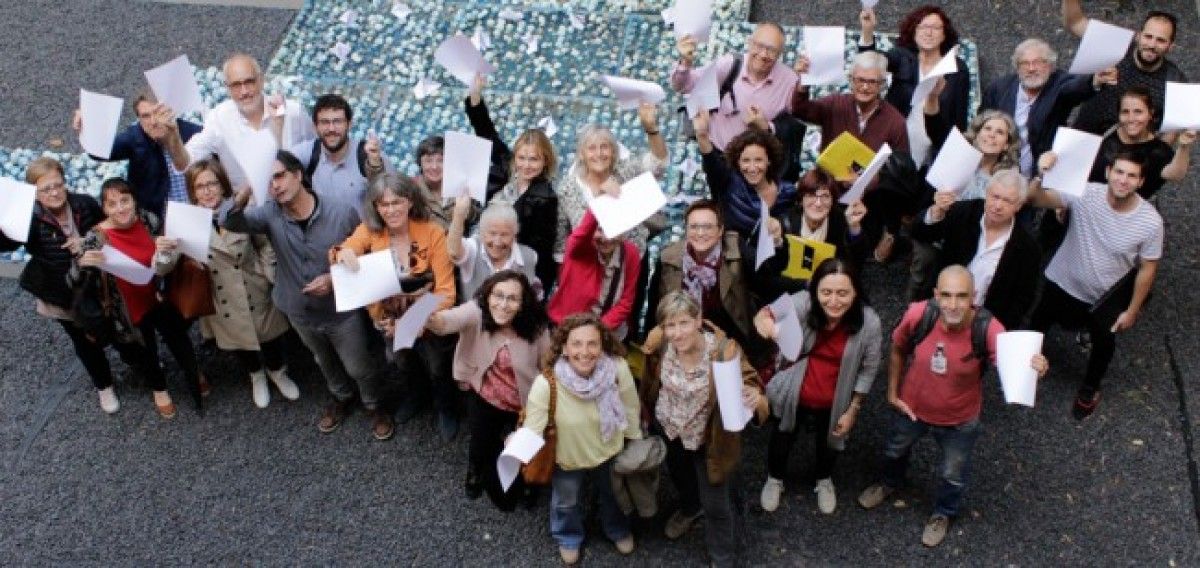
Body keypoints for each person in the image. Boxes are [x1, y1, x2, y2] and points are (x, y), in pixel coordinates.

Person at [857, 266, 1048, 548]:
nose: (953, 305)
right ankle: (889, 482)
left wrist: (1034, 367)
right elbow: (897, 348)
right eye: (945, 296)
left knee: (953, 473)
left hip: (960, 420)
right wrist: (892, 392)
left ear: (974, 296)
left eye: (961, 296)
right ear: (935, 295)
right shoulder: (919, 315)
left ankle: (943, 513)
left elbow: (1015, 366)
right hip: (911, 409)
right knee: (894, 450)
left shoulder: (989, 329)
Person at [222, 151, 386, 438]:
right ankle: (341, 397)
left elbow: (364, 257)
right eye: (267, 180)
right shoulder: (269, 214)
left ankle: (373, 404)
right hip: (298, 309)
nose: (275, 185)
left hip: (341, 310)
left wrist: (335, 280)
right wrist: (248, 187)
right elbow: (228, 220)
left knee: (358, 364)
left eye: (279, 176)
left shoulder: (341, 213)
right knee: (323, 360)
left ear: (298, 175)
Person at [1029, 152, 1163, 419]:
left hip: (1103, 298)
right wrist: (1041, 174)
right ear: (1108, 173)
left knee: (1104, 344)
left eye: (1132, 176)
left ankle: (1090, 388)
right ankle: (1023, 371)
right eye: (1119, 172)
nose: (1123, 180)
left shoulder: (1150, 222)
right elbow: (1034, 199)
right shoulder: (1085, 193)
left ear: (1141, 182)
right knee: (1036, 325)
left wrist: (1132, 310)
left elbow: (1148, 269)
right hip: (1062, 281)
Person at [153, 159, 296, 408]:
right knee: (241, 343)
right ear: (192, 191)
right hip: (222, 297)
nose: (207, 191)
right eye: (200, 186)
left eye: (213, 183)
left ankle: (277, 372)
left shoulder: (241, 210)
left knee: (271, 337)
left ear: (223, 186)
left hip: (255, 288)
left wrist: (266, 274)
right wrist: (163, 251)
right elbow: (163, 267)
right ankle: (256, 376)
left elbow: (264, 244)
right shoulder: (185, 222)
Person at [639, 291, 766, 565]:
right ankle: (689, 507)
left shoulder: (723, 351)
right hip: (670, 428)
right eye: (670, 325)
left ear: (699, 320)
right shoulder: (658, 342)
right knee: (681, 476)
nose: (677, 333)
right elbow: (649, 379)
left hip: (708, 439)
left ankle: (722, 557)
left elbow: (750, 381)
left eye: (684, 323)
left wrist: (756, 396)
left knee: (717, 504)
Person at [331, 173, 457, 440]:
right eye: (384, 204)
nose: (391, 210)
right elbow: (344, 249)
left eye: (397, 202)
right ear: (376, 207)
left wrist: (409, 324)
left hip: (428, 317)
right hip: (388, 321)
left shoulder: (433, 232)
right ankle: (416, 396)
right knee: (402, 362)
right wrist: (344, 252)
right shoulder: (369, 230)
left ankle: (446, 408)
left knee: (437, 365)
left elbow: (446, 293)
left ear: (410, 202)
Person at [753, 258, 881, 516]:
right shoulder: (803, 301)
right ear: (815, 291)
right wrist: (765, 323)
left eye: (843, 293)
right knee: (782, 435)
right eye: (826, 292)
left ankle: (824, 480)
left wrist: (853, 409)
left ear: (856, 292)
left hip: (837, 397)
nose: (834, 301)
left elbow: (869, 369)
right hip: (795, 390)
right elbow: (764, 313)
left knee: (830, 442)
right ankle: (774, 479)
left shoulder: (869, 323)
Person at [75, 178, 208, 418]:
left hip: (158, 295)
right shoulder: (96, 237)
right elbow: (73, 281)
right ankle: (159, 388)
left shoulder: (149, 220)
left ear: (134, 200)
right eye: (112, 204)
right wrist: (82, 264)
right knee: (146, 348)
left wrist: (168, 249)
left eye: (125, 200)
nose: (120, 208)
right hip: (127, 305)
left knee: (178, 337)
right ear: (104, 209)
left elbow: (167, 258)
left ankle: (192, 372)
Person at [518, 312, 643, 565]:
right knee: (566, 501)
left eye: (592, 343)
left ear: (602, 345)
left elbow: (630, 406)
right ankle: (568, 536)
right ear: (564, 347)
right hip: (568, 459)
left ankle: (617, 529)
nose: (584, 352)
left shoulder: (618, 369)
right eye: (576, 344)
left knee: (613, 496)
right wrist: (516, 443)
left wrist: (634, 441)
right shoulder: (547, 383)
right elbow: (533, 427)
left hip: (609, 453)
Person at [0, 157, 121, 413]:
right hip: (62, 292)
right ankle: (104, 386)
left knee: (117, 326)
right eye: (46, 188)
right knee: (84, 340)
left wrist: (87, 242)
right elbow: (7, 244)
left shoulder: (84, 204)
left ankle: (139, 363)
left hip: (99, 284)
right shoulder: (28, 220)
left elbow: (108, 231)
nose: (54, 192)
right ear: (34, 192)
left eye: (58, 184)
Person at [425, 270, 551, 510]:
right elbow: (446, 322)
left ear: (523, 303)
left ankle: (526, 482)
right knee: (481, 442)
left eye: (513, 298)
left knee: (523, 448)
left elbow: (547, 368)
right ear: (487, 296)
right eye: (498, 295)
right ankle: (475, 472)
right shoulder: (477, 311)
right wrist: (427, 316)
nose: (503, 305)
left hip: (525, 403)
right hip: (486, 395)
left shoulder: (537, 327)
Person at [911, 170, 1042, 330]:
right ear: (986, 194)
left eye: (1007, 201)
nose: (998, 205)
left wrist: (998, 330)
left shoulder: (1027, 247)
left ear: (1019, 206)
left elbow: (1023, 298)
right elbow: (920, 232)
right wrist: (936, 211)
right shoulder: (965, 212)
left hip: (982, 323)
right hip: (941, 306)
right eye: (995, 196)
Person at [465, 75, 560, 290]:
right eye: (522, 158)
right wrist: (475, 96)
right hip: (480, 248)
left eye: (534, 159)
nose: (526, 165)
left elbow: (541, 248)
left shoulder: (546, 198)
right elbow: (485, 132)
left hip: (510, 264)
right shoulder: (505, 167)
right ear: (515, 157)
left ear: (545, 161)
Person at [162, 54, 315, 187]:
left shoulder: (293, 112)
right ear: (227, 88)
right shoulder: (219, 119)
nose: (244, 92)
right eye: (236, 85)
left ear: (261, 81)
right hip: (250, 211)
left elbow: (317, 153)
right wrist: (173, 136)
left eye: (249, 82)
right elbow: (186, 163)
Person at [980, 39, 1110, 176]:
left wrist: (1094, 81)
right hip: (1001, 170)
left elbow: (1075, 87)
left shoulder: (1059, 84)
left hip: (1044, 170)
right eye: (1025, 63)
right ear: (1017, 68)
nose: (1031, 69)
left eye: (1038, 62)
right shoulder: (1000, 88)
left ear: (1050, 65)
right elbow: (981, 122)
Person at [554, 103, 666, 260]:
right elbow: (561, 243)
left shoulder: (626, 172)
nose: (598, 154)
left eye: (604, 147)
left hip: (630, 263)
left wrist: (651, 129)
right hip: (587, 266)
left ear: (613, 152)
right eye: (591, 148)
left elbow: (658, 162)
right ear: (582, 154)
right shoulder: (568, 188)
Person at [644, 200, 755, 358]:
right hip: (681, 344)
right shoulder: (669, 259)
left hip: (729, 348)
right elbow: (655, 310)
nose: (700, 233)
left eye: (708, 227)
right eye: (694, 227)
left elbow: (768, 281)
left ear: (720, 230)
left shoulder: (737, 252)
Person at [1063, 2, 1188, 138]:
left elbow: (1172, 131)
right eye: (1148, 37)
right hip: (1082, 137)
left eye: (1161, 40)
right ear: (1139, 35)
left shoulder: (1175, 81)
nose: (1152, 45)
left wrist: (1154, 157)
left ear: (1170, 47)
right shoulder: (1117, 44)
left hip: (1126, 155)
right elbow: (1075, 23)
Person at [670, 22, 801, 151]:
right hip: (719, 154)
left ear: (780, 54)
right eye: (759, 46)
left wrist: (767, 127)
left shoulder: (789, 81)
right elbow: (685, 86)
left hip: (758, 165)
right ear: (750, 43)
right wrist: (685, 61)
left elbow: (797, 121)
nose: (763, 55)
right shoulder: (730, 65)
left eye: (771, 50)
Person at [71, 90, 201, 218]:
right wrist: (87, 124)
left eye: (157, 113)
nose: (153, 122)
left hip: (196, 210)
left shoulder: (192, 132)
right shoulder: (135, 138)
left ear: (169, 111)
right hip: (158, 218)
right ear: (138, 118)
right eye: (146, 116)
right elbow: (100, 152)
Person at [752, 170, 870, 301]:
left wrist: (854, 227)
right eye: (811, 195)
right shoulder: (782, 225)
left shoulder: (840, 221)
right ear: (801, 200)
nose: (818, 203)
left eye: (825, 196)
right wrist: (777, 243)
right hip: (792, 295)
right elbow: (768, 279)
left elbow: (856, 264)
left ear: (832, 201)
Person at [858, 5, 971, 131]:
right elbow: (870, 63)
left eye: (935, 28)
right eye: (923, 27)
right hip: (894, 135)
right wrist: (867, 31)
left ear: (944, 34)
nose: (929, 33)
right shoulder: (901, 57)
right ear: (914, 32)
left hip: (935, 140)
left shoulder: (957, 68)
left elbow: (960, 117)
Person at [1078, 87, 1193, 199]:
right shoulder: (1104, 131)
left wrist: (1184, 145)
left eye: (1138, 112)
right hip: (1085, 205)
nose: (1131, 118)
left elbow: (1175, 174)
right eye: (1125, 112)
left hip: (1124, 216)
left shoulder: (1159, 151)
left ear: (1150, 114)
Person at [693, 113, 798, 235]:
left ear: (769, 161)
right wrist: (701, 134)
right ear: (738, 162)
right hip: (734, 252)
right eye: (746, 161)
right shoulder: (728, 183)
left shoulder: (788, 191)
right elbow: (710, 158)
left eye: (758, 160)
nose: (752, 168)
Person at [289, 93, 391, 216]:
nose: (331, 128)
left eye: (337, 121)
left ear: (349, 124)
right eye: (325, 122)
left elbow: (393, 197)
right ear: (315, 127)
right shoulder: (308, 153)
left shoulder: (368, 155)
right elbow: (280, 166)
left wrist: (376, 166)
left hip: (362, 233)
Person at [547, 209, 640, 341]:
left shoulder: (631, 253)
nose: (607, 238)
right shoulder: (578, 249)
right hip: (570, 330)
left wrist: (597, 330)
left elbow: (626, 301)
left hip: (607, 332)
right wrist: (599, 203)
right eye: (601, 230)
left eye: (613, 230)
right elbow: (581, 234)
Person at [792, 51, 910, 154]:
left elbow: (900, 169)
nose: (864, 87)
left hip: (872, 179)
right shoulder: (835, 104)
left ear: (882, 84)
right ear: (851, 80)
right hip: (830, 178)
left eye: (872, 82)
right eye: (860, 80)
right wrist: (804, 82)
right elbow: (800, 110)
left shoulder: (895, 122)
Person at [447, 197, 541, 301]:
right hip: (474, 316)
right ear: (482, 233)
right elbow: (453, 251)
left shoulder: (529, 256)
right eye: (492, 233)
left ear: (515, 236)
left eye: (504, 235)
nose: (497, 242)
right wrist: (459, 215)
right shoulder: (473, 248)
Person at [957, 111, 1022, 201]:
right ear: (976, 135)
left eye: (1000, 132)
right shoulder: (957, 161)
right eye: (987, 128)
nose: (991, 135)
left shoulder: (1009, 177)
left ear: (1006, 145)